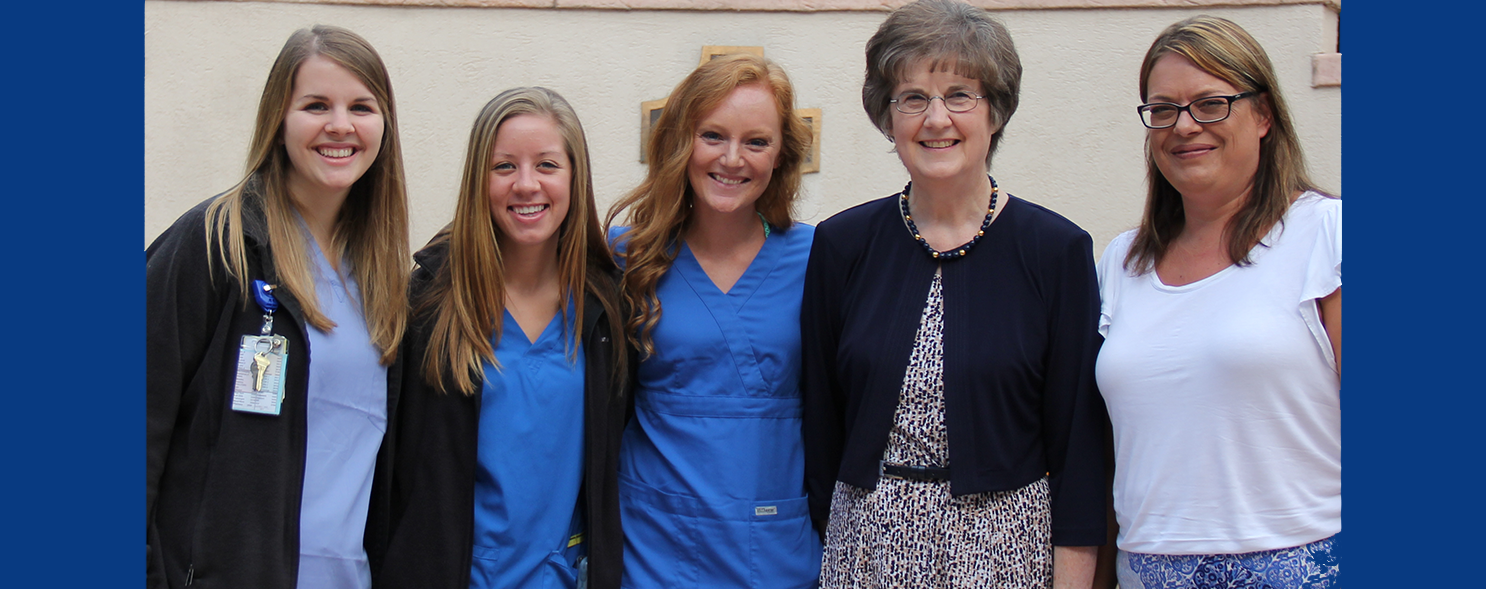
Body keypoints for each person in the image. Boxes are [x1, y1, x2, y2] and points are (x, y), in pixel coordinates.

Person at [800, 1, 1108, 586]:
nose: (936, 118)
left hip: (1005, 549)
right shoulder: (842, 245)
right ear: (888, 117)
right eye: (912, 98)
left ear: (996, 111)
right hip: (865, 546)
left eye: (960, 95)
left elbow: (1078, 448)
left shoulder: (1056, 251)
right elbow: (821, 423)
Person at [146, 25, 410, 589]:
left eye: (361, 107)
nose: (340, 125)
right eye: (316, 105)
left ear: (384, 126)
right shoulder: (216, 244)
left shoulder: (385, 282)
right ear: (279, 120)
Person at [1094, 15, 1341, 588]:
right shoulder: (1123, 261)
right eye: (1163, 110)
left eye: (1211, 104)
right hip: (1148, 571)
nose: (1185, 126)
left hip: (1303, 567)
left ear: (1264, 115)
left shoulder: (1328, 234)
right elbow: (1107, 453)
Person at [374, 87, 630, 589]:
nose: (526, 184)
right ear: (479, 180)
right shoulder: (429, 303)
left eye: (547, 165)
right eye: (504, 166)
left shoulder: (606, 309)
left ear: (575, 177)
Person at [605, 53, 820, 588]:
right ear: (681, 140)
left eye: (756, 141)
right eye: (712, 135)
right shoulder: (626, 256)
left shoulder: (818, 259)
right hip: (653, 545)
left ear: (781, 154)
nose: (732, 158)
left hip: (774, 547)